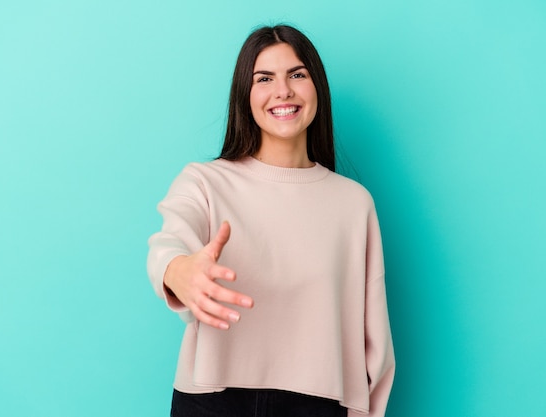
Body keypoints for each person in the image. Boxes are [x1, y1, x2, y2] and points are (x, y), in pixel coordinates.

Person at [147, 24, 395, 417]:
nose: (283, 91)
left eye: (297, 74)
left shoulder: (353, 204)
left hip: (318, 405)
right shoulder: (205, 181)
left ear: (317, 87)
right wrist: (179, 273)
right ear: (245, 95)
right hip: (213, 400)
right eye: (264, 78)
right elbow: (168, 244)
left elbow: (375, 345)